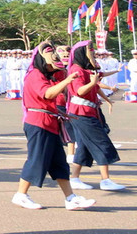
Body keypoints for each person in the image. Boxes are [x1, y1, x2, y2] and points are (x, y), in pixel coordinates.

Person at [11, 40, 96, 211]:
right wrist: (67, 80)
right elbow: (47, 94)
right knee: (37, 159)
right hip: (38, 123)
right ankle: (20, 195)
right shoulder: (35, 74)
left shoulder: (47, 76)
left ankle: (70, 198)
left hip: (49, 122)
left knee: (59, 163)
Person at [66, 40, 125, 191]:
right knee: (101, 142)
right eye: (90, 51)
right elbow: (80, 91)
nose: (92, 53)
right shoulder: (76, 70)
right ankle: (105, 180)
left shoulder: (86, 69)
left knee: (84, 147)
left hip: (88, 111)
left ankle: (74, 178)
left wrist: (106, 96)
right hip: (81, 112)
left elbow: (99, 79)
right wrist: (92, 83)